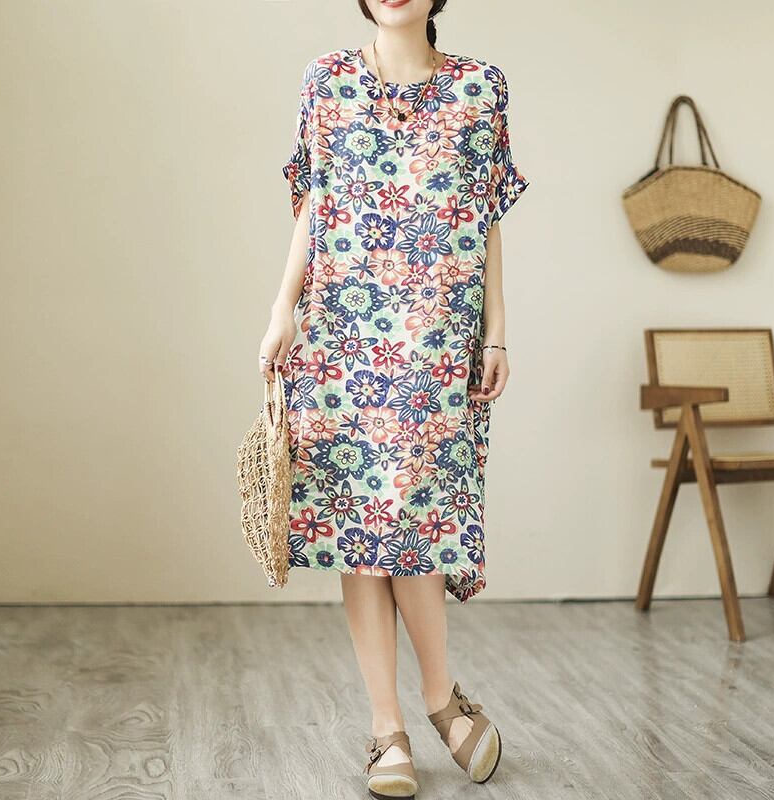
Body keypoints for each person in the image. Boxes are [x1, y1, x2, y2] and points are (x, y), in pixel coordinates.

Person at [260, 1, 529, 796]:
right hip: (340, 330)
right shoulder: (326, 81)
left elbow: (486, 218)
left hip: (438, 338)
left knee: (411, 518)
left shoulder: (481, 87)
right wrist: (282, 309)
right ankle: (390, 729)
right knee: (360, 528)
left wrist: (497, 333)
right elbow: (313, 202)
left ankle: (441, 699)